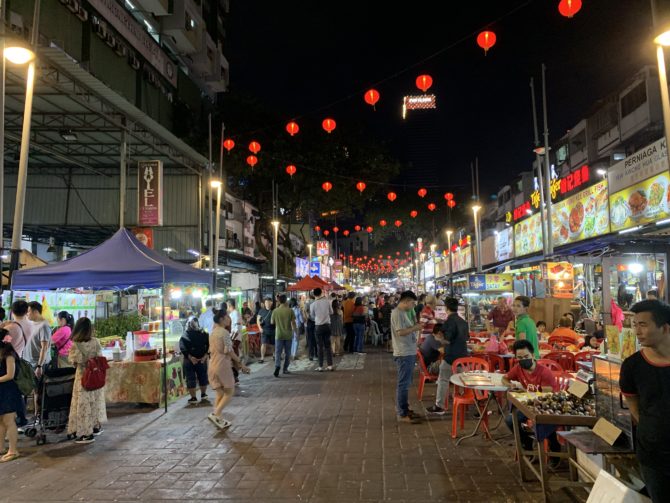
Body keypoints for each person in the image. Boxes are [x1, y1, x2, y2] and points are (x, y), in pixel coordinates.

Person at [620, 300, 670, 502]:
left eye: (643, 325)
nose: (637, 331)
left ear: (665, 327)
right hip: (653, 454)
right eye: (635, 325)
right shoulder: (632, 366)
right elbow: (635, 407)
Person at [502, 339, 561, 466]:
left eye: (526, 356)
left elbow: (548, 392)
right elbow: (504, 378)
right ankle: (526, 444)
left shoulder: (544, 372)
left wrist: (530, 392)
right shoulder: (518, 368)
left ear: (533, 355)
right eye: (520, 357)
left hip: (548, 405)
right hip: (529, 405)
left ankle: (555, 448)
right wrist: (510, 385)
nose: (523, 360)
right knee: (510, 420)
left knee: (545, 424)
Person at [67, 318, 107, 444]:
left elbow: (73, 362)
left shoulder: (75, 345)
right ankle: (95, 427)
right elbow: (100, 357)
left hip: (82, 379)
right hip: (94, 378)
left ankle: (86, 434)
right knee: (93, 403)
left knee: (83, 406)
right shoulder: (95, 342)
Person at [427, 297, 470, 414]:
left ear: (446, 308)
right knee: (465, 381)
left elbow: (447, 340)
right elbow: (466, 338)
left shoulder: (449, 322)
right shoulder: (463, 322)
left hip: (451, 357)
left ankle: (439, 406)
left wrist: (438, 338)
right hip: (463, 356)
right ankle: (475, 402)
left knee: (443, 380)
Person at [207, 312, 249, 430]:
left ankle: (218, 417)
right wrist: (240, 364)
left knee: (220, 393)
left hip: (212, 365)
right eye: (227, 317)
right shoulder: (224, 332)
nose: (229, 319)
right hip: (222, 365)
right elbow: (229, 351)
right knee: (229, 392)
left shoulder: (213, 333)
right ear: (221, 319)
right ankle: (215, 414)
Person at [391, 290, 424, 424]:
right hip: (403, 352)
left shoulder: (403, 313)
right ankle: (402, 412)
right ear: (406, 301)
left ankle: (405, 408)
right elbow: (400, 332)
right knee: (403, 384)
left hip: (408, 351)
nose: (413, 306)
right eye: (412, 303)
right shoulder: (398, 313)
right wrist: (416, 328)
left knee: (406, 383)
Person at [2, 300, 33, 428]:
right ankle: (20, 418)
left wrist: (3, 328)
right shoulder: (30, 324)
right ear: (26, 311)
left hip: (7, 362)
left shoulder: (11, 328)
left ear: (12, 311)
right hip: (19, 359)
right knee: (16, 392)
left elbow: (4, 343)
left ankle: (16, 420)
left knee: (9, 394)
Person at [0, 330, 21, 462]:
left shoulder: (9, 355)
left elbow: (10, 375)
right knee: (1, 420)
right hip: (2, 391)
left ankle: (13, 451)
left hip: (9, 391)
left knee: (9, 421)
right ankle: (1, 447)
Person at [179, 317, 209, 403]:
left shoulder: (185, 335)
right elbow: (209, 345)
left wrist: (191, 357)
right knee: (202, 376)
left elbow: (182, 348)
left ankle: (193, 398)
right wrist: (205, 356)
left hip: (190, 360)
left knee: (190, 378)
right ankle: (203, 394)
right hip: (201, 359)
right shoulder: (204, 333)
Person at [271, 295, 296, 377]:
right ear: (286, 301)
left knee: (278, 352)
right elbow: (293, 323)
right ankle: (285, 369)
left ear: (279, 301)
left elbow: (272, 322)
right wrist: (295, 332)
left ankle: (277, 366)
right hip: (288, 335)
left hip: (278, 335)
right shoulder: (290, 310)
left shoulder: (275, 311)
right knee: (287, 353)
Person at [310, 288, 334, 372]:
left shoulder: (313, 304)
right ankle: (330, 365)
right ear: (321, 293)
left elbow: (312, 316)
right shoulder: (327, 302)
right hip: (327, 325)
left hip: (318, 326)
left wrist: (318, 317)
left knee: (319, 346)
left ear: (314, 294)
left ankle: (320, 366)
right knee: (328, 346)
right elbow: (331, 312)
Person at [26, 302, 52, 379]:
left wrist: (39, 366)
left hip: (38, 364)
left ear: (36, 312)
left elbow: (44, 347)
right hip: (30, 362)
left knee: (38, 388)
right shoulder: (32, 323)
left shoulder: (44, 326)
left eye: (28, 311)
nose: (27, 314)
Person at [256, 298, 275, 364]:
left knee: (273, 344)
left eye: (269, 302)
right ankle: (262, 358)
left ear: (271, 303)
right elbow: (258, 320)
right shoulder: (261, 311)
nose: (267, 304)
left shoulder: (274, 311)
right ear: (264, 303)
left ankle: (274, 355)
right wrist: (260, 328)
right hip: (264, 330)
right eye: (266, 302)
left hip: (273, 330)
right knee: (263, 344)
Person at [304, 294, 317, 360]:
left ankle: (311, 355)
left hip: (310, 322)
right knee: (316, 339)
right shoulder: (317, 303)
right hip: (317, 322)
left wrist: (306, 319)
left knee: (310, 339)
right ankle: (316, 354)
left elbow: (304, 311)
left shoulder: (307, 303)